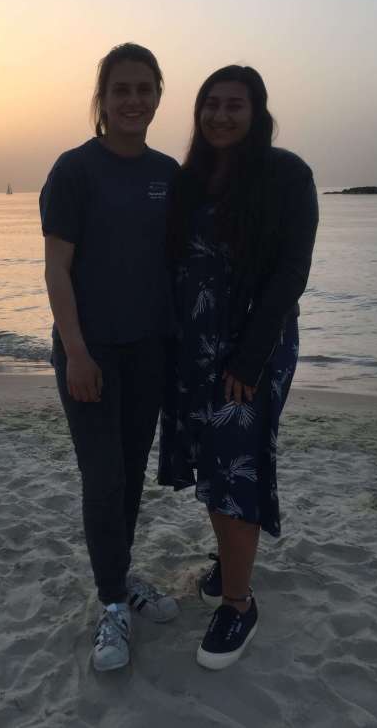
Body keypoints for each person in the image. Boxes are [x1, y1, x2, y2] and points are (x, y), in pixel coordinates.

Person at [159, 65, 318, 670]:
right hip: (193, 345)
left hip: (255, 347)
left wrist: (250, 359)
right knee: (214, 460)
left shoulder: (286, 175)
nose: (220, 115)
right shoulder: (189, 179)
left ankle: (238, 603)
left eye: (234, 105)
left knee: (236, 465)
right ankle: (231, 563)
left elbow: (291, 273)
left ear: (257, 113)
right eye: (211, 104)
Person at [39, 43, 180, 672]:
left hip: (148, 352)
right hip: (89, 354)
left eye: (144, 89)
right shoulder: (75, 170)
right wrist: (76, 352)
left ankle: (120, 578)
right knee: (103, 479)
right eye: (121, 89)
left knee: (129, 472)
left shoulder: (168, 174)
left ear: (158, 96)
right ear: (102, 98)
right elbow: (57, 269)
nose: (133, 100)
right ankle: (113, 604)